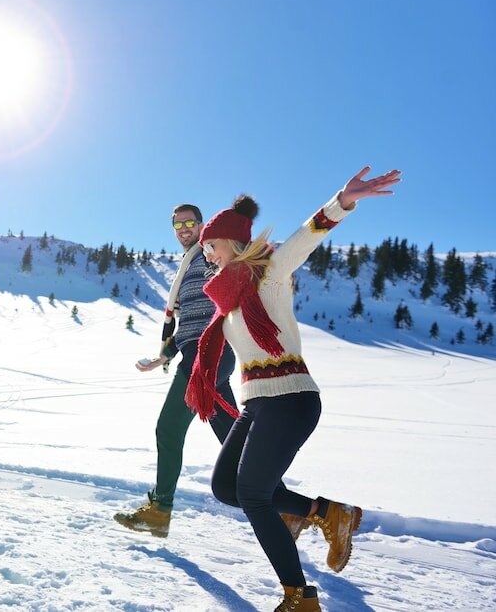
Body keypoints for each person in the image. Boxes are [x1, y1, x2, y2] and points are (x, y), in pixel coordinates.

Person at [187, 167, 401, 611]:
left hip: (291, 400)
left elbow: (306, 238)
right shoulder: (228, 302)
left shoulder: (269, 273)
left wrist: (342, 201)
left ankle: (300, 598)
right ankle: (328, 513)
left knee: (254, 495)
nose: (207, 253)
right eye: (204, 247)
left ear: (233, 242)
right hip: (257, 406)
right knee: (227, 487)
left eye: (211, 244)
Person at [113, 203, 239, 538]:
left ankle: (160, 509)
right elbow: (187, 327)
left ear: (201, 224)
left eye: (189, 223)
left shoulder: (209, 254)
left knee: (168, 429)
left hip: (208, 356)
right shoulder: (187, 266)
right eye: (177, 224)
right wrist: (163, 357)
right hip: (200, 354)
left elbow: (232, 273)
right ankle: (293, 508)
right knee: (235, 440)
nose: (184, 229)